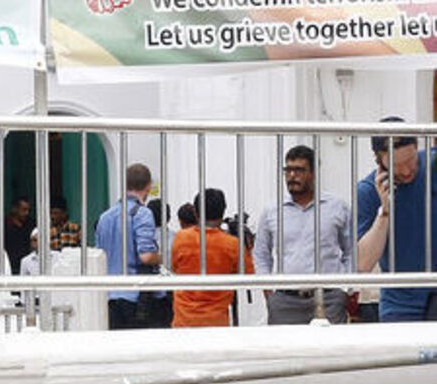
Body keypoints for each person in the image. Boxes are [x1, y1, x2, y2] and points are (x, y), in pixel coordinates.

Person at [254, 145, 352, 324]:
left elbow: (351, 250)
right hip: (285, 301)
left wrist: (346, 290)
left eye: (299, 170)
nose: (292, 176)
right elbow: (261, 254)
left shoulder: (337, 207)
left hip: (328, 299)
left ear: (313, 173)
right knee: (285, 351)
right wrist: (268, 292)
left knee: (330, 350)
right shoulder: (272, 210)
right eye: (288, 170)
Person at [356, 119, 437, 321]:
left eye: (411, 160)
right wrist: (384, 211)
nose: (407, 170)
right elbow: (363, 264)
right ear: (380, 161)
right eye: (396, 166)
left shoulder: (433, 165)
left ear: (417, 147)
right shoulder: (367, 191)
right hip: (401, 303)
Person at [94, 164, 163, 329]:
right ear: (148, 187)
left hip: (109, 295)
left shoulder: (104, 217)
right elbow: (146, 256)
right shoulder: (142, 213)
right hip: (136, 296)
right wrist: (163, 258)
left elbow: (99, 256)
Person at [171, 189, 253, 327]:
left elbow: (175, 267)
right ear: (223, 212)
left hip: (184, 320)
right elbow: (247, 275)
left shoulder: (181, 238)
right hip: (216, 322)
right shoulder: (232, 244)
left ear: (196, 213)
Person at [4, 196, 34, 276]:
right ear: (15, 209)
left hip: (27, 267)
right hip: (9, 267)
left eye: (28, 210)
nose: (27, 213)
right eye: (24, 210)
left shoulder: (30, 224)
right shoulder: (5, 225)